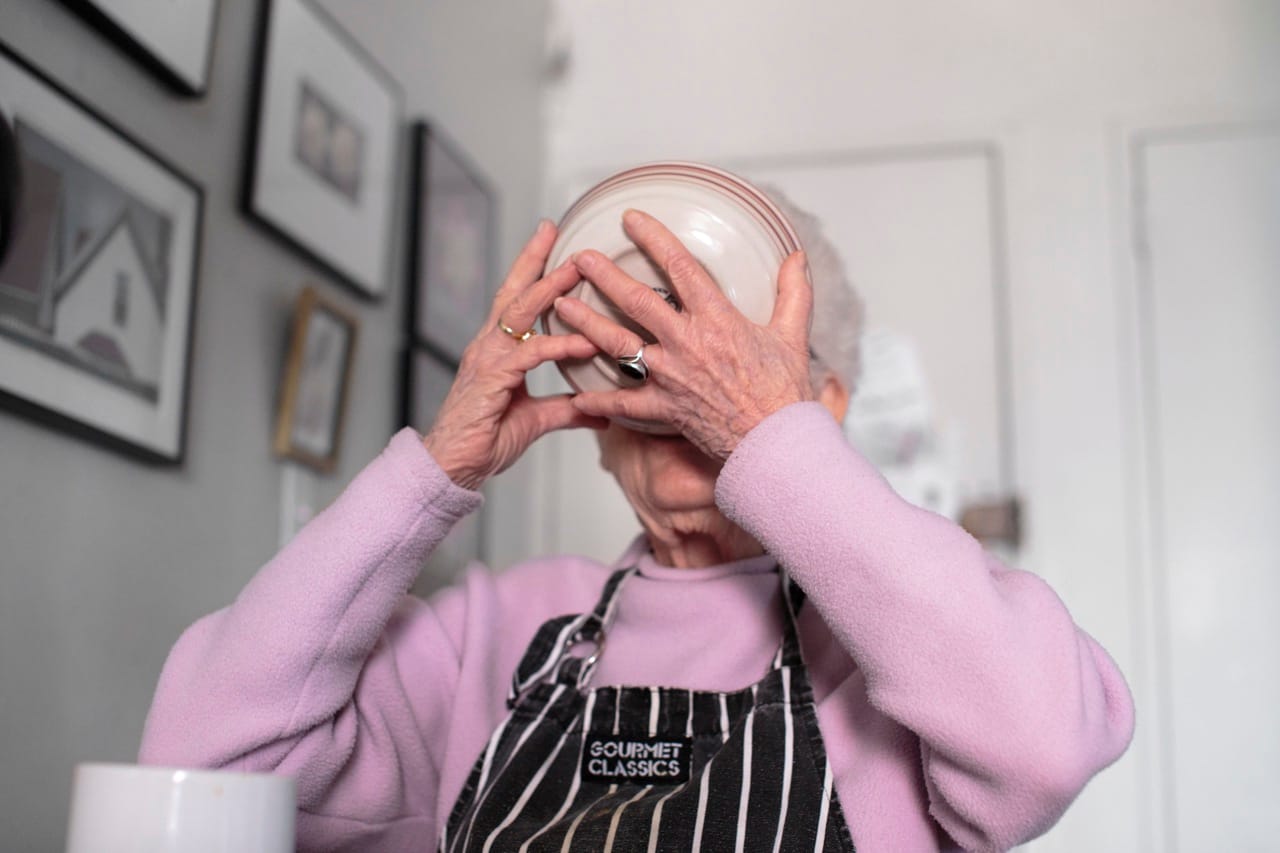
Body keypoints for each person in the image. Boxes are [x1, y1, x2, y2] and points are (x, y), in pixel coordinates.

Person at [140, 199, 1134, 852]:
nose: (670, 379)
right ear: (589, 414)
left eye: (721, 352)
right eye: (635, 346)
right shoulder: (487, 628)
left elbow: (1042, 743)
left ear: (820, 403)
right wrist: (430, 471)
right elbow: (204, 773)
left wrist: (764, 439)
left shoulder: (892, 646)